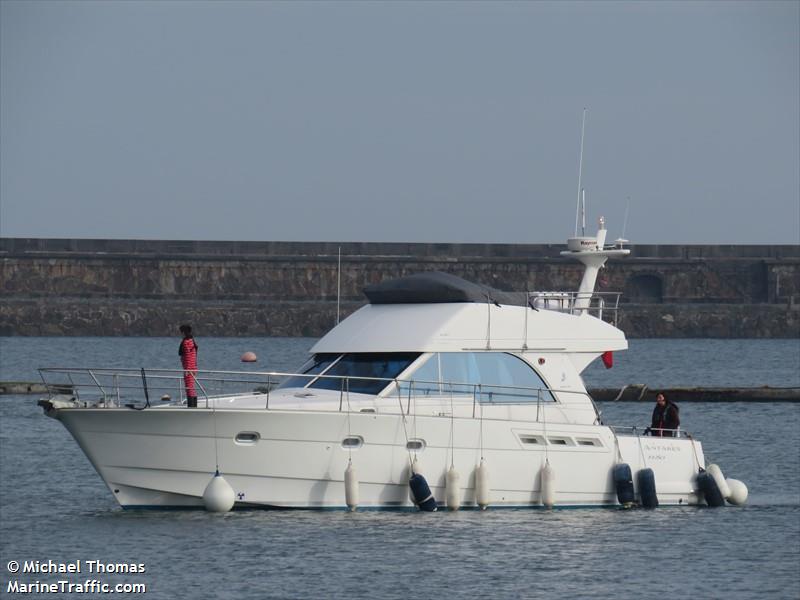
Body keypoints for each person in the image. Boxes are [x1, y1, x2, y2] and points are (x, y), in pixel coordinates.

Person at [178, 324, 199, 407]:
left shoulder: (186, 342)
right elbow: (193, 353)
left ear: (184, 332)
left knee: (189, 387)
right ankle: (193, 406)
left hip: (188, 367)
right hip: (193, 367)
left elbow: (183, 354)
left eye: (181, 332)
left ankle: (191, 406)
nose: (180, 334)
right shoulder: (192, 340)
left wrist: (187, 368)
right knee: (191, 387)